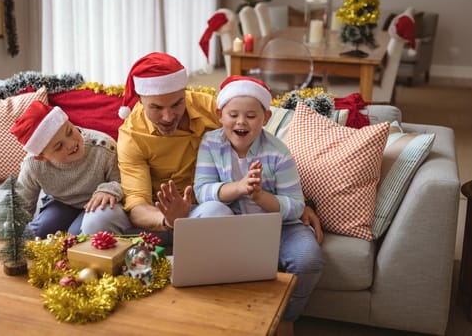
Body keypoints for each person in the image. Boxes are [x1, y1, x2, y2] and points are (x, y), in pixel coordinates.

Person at [193, 75, 325, 336]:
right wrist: (239, 187)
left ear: (265, 118)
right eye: (233, 114)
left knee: (308, 258)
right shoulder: (210, 143)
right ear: (220, 115)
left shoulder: (278, 151)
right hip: (232, 224)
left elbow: (296, 205)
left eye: (251, 116)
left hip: (279, 225)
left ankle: (287, 316)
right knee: (210, 211)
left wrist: (259, 197)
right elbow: (202, 191)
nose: (241, 122)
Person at [117, 52, 234, 233]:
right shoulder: (131, 135)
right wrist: (167, 219)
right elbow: (137, 205)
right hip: (159, 218)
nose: (168, 117)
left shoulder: (210, 107)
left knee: (216, 211)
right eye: (156, 107)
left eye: (177, 104)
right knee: (98, 219)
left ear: (184, 92)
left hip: (207, 208)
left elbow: (250, 140)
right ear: (140, 100)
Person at [10, 101, 132, 238]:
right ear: (42, 157)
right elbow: (21, 205)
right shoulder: (32, 165)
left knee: (74, 236)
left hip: (98, 204)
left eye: (69, 131)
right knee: (37, 231)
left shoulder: (103, 147)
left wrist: (110, 190)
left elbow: (126, 181)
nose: (71, 144)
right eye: (58, 146)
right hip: (62, 203)